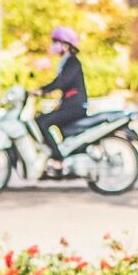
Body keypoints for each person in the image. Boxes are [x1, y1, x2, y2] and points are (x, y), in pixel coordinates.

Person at [33, 25, 89, 176]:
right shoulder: (66, 61)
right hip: (69, 105)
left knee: (42, 121)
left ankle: (58, 159)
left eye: (55, 42)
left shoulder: (72, 62)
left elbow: (62, 82)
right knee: (43, 118)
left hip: (75, 107)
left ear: (66, 45)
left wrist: (41, 90)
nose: (53, 46)